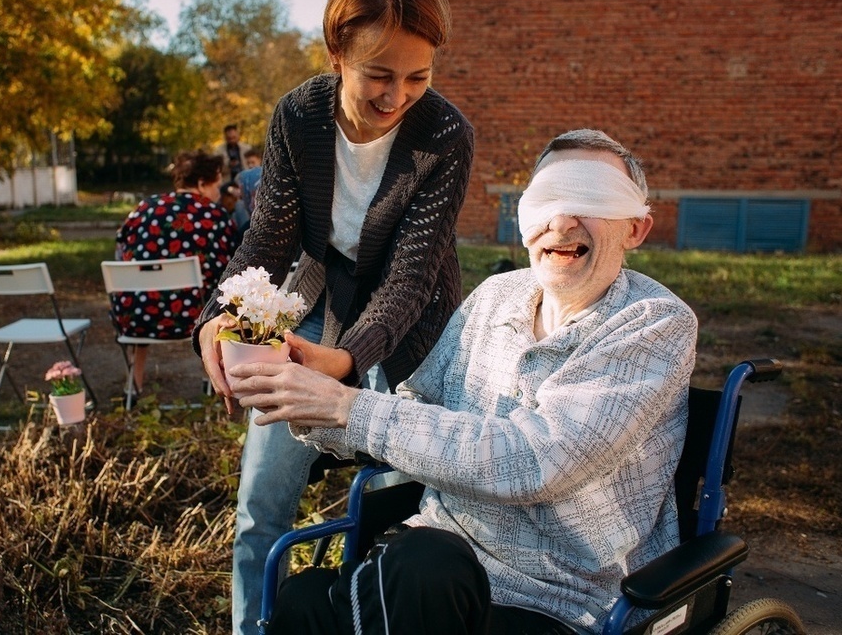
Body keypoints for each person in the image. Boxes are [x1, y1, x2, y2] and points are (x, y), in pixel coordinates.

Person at [229, 129, 699, 635]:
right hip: (426, 563)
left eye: (590, 198)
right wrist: (308, 399)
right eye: (547, 199)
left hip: (558, 599)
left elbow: (538, 461)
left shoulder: (654, 323)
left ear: (636, 229)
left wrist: (348, 407)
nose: (561, 221)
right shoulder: (496, 297)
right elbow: (420, 404)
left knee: (422, 568)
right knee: (301, 600)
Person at [191, 0, 475, 634]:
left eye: (417, 76)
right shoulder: (299, 116)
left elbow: (409, 279)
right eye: (379, 73)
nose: (396, 95)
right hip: (315, 306)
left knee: (388, 512)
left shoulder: (444, 136)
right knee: (261, 507)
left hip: (411, 333)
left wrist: (344, 363)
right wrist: (217, 319)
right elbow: (267, 238)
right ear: (337, 52)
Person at [112, 150, 238, 402]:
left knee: (146, 294)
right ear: (202, 183)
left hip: (137, 317)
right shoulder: (215, 215)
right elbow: (231, 269)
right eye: (216, 183)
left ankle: (133, 387)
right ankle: (213, 382)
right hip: (195, 320)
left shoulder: (143, 208)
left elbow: (120, 253)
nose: (219, 190)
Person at [235, 148, 262, 227]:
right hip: (249, 210)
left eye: (253, 162)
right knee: (239, 204)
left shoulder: (265, 174)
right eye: (248, 163)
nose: (250, 165)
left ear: (259, 160)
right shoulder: (243, 177)